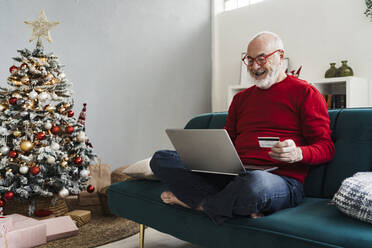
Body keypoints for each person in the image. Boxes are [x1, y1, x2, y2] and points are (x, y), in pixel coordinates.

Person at [150, 31, 335, 224]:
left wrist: (298, 153)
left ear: (280, 57)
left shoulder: (306, 93)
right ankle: (226, 205)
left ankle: (198, 204)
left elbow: (326, 147)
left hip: (279, 180)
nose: (255, 66)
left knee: (255, 184)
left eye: (262, 59)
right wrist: (210, 157)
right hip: (234, 174)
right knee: (161, 159)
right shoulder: (241, 99)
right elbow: (228, 139)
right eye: (250, 60)